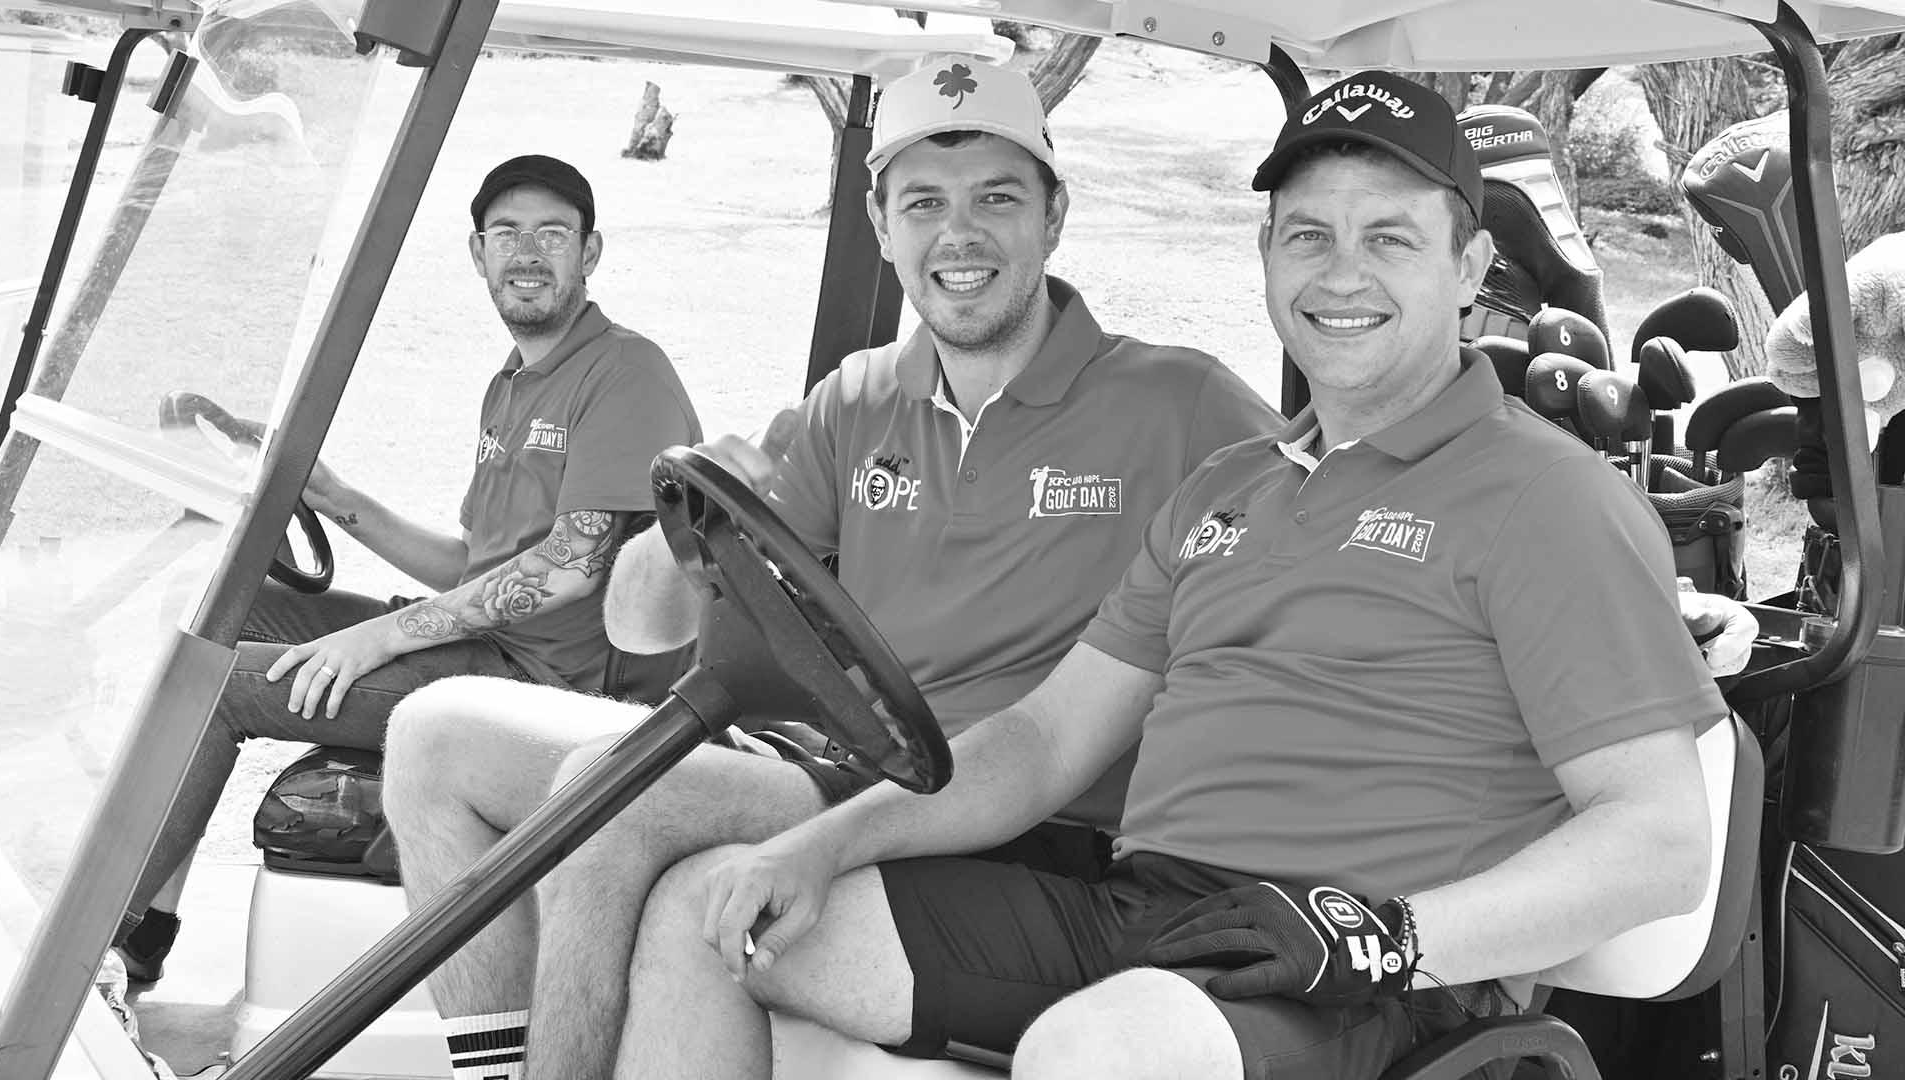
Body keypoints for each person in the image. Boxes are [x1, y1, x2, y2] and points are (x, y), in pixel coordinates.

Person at [614, 70, 1728, 1080]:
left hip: (1371, 975)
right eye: (1308, 236)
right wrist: (819, 845)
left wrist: (1380, 938)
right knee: (714, 914)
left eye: (1389, 238)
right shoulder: (1227, 488)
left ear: (1469, 266)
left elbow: (1661, 843)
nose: (1341, 273)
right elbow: (1045, 740)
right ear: (1267, 255)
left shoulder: (1550, 495)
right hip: (1145, 912)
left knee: (1104, 1049)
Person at [380, 57, 1282, 1080]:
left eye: (996, 198)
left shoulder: (1177, 402)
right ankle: (501, 1068)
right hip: (845, 769)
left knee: (608, 793)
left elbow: (1321, 522)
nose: (959, 235)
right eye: (924, 203)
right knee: (431, 735)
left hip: (1021, 819)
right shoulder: (856, 402)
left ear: (1054, 215)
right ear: (880, 224)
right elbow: (639, 624)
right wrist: (685, 529)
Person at [113, 154, 702, 982]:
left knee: (217, 687)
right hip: (491, 648)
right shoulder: (513, 384)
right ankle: (147, 925)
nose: (528, 253)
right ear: (478, 254)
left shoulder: (625, 373)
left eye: (552, 234)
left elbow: (571, 564)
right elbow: (474, 565)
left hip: (552, 692)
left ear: (590, 252)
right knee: (216, 615)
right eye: (507, 233)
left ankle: (99, 947)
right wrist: (339, 499)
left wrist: (383, 637)